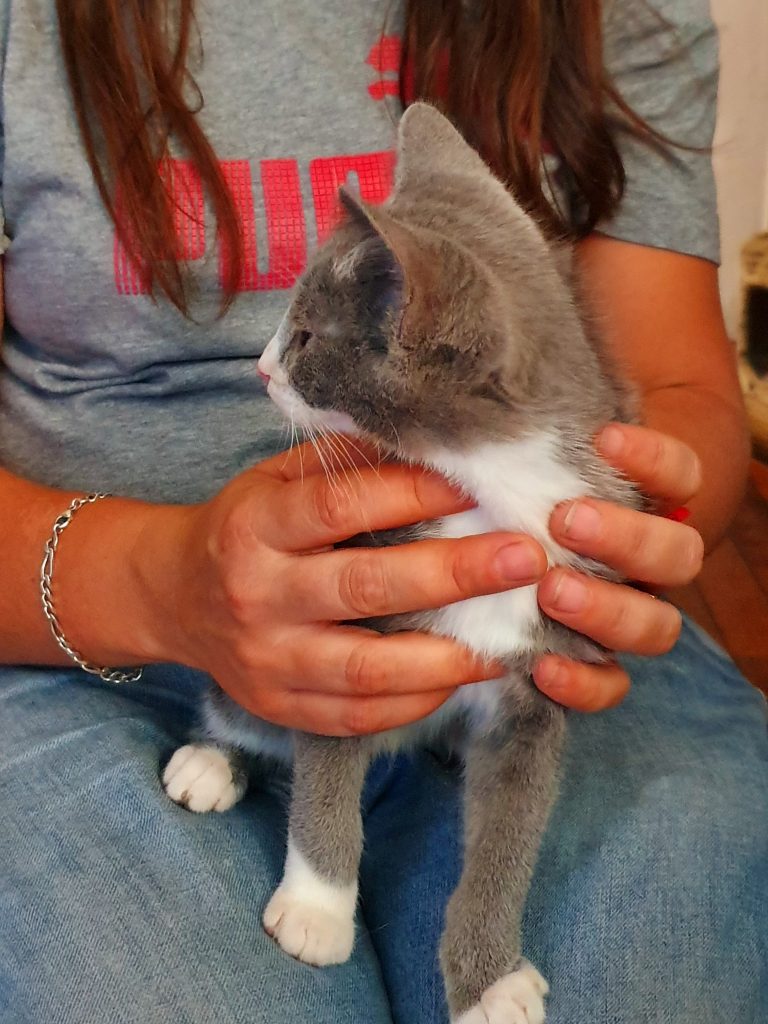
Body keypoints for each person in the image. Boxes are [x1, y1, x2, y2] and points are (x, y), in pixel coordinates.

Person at [0, 0, 765, 1022]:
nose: (258, 366)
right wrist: (158, 584)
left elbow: (681, 385)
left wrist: (639, 523)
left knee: (639, 985)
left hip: (541, 638)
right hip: (89, 634)